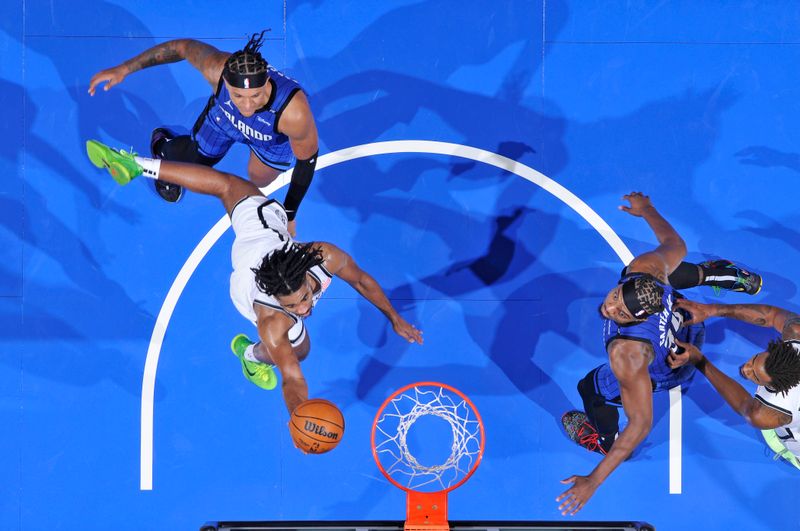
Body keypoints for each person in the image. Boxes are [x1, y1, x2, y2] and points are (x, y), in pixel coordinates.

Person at [85, 140, 423, 415]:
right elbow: (292, 377)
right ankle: (248, 356)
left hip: (264, 235)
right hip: (246, 285)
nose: (305, 308)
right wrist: (300, 413)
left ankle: (135, 164)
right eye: (294, 304)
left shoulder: (323, 255)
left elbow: (361, 280)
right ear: (279, 301)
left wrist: (393, 317)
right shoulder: (272, 321)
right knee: (300, 350)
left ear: (307, 273)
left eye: (305, 298)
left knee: (231, 186)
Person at [556, 192, 763, 516]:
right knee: (671, 270)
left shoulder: (627, 353)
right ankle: (720, 274)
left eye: (620, 311)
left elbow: (640, 423)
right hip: (690, 323)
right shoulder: (644, 271)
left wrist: (593, 481)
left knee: (590, 388)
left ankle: (605, 441)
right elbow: (674, 243)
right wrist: (648, 209)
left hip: (669, 366)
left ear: (637, 319)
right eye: (614, 297)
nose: (609, 307)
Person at [88, 31, 317, 238]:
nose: (247, 107)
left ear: (267, 81)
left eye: (255, 96)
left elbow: (307, 161)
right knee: (193, 162)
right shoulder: (216, 68)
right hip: (224, 120)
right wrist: (125, 68)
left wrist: (289, 213)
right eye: (238, 96)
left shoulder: (293, 113)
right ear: (225, 81)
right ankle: (164, 144)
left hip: (270, 138)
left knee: (259, 179)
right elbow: (182, 47)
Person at [668, 298, 800, 470]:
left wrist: (699, 360)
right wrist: (712, 310)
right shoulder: (796, 334)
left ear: (778, 387)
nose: (746, 369)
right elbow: (771, 315)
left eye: (755, 376)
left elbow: (745, 406)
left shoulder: (767, 412)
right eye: (753, 361)